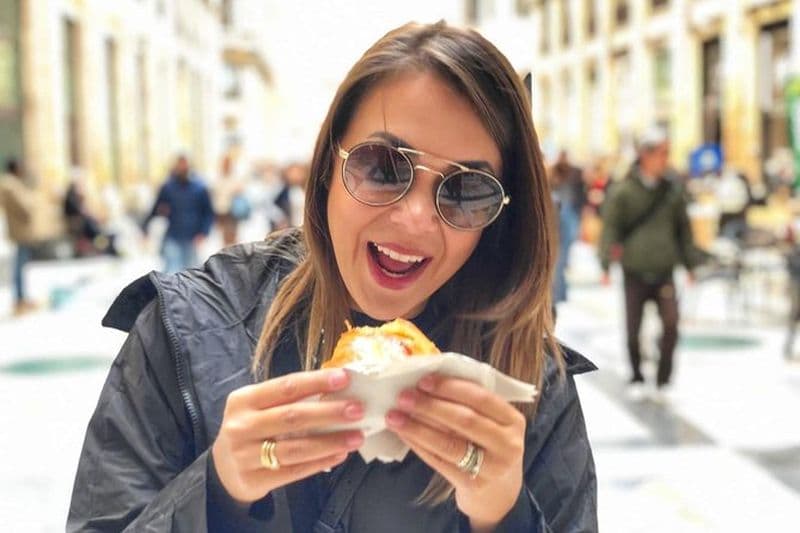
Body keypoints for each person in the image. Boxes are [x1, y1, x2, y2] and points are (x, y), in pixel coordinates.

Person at [68, 22, 597, 532]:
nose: (415, 220)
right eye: (383, 167)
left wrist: (505, 517)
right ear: (326, 167)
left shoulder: (529, 382)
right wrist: (215, 490)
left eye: (466, 190)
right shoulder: (185, 329)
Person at [599, 126, 701, 401]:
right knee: (633, 329)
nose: (666, 159)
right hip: (634, 270)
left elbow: (683, 230)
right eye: (662, 153)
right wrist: (606, 264)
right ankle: (636, 376)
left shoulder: (673, 191)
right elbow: (611, 229)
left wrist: (690, 265)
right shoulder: (624, 191)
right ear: (646, 155)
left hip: (664, 270)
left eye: (668, 153)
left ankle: (664, 379)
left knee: (671, 324)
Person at [143, 154, 214, 273]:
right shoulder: (168, 187)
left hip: (192, 237)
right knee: (171, 270)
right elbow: (155, 209)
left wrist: (204, 232)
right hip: (173, 235)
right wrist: (145, 228)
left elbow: (208, 212)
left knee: (190, 271)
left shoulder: (200, 188)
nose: (182, 168)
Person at [0, 158, 38, 315]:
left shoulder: (11, 184)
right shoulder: (11, 185)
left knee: (21, 266)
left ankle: (21, 298)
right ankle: (19, 300)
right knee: (19, 267)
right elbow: (24, 207)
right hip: (20, 231)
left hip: (19, 230)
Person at [549, 150, 586, 305]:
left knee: (561, 257)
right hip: (562, 219)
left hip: (566, 218)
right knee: (560, 258)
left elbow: (581, 195)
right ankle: (559, 293)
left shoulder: (575, 174)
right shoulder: (554, 177)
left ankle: (559, 293)